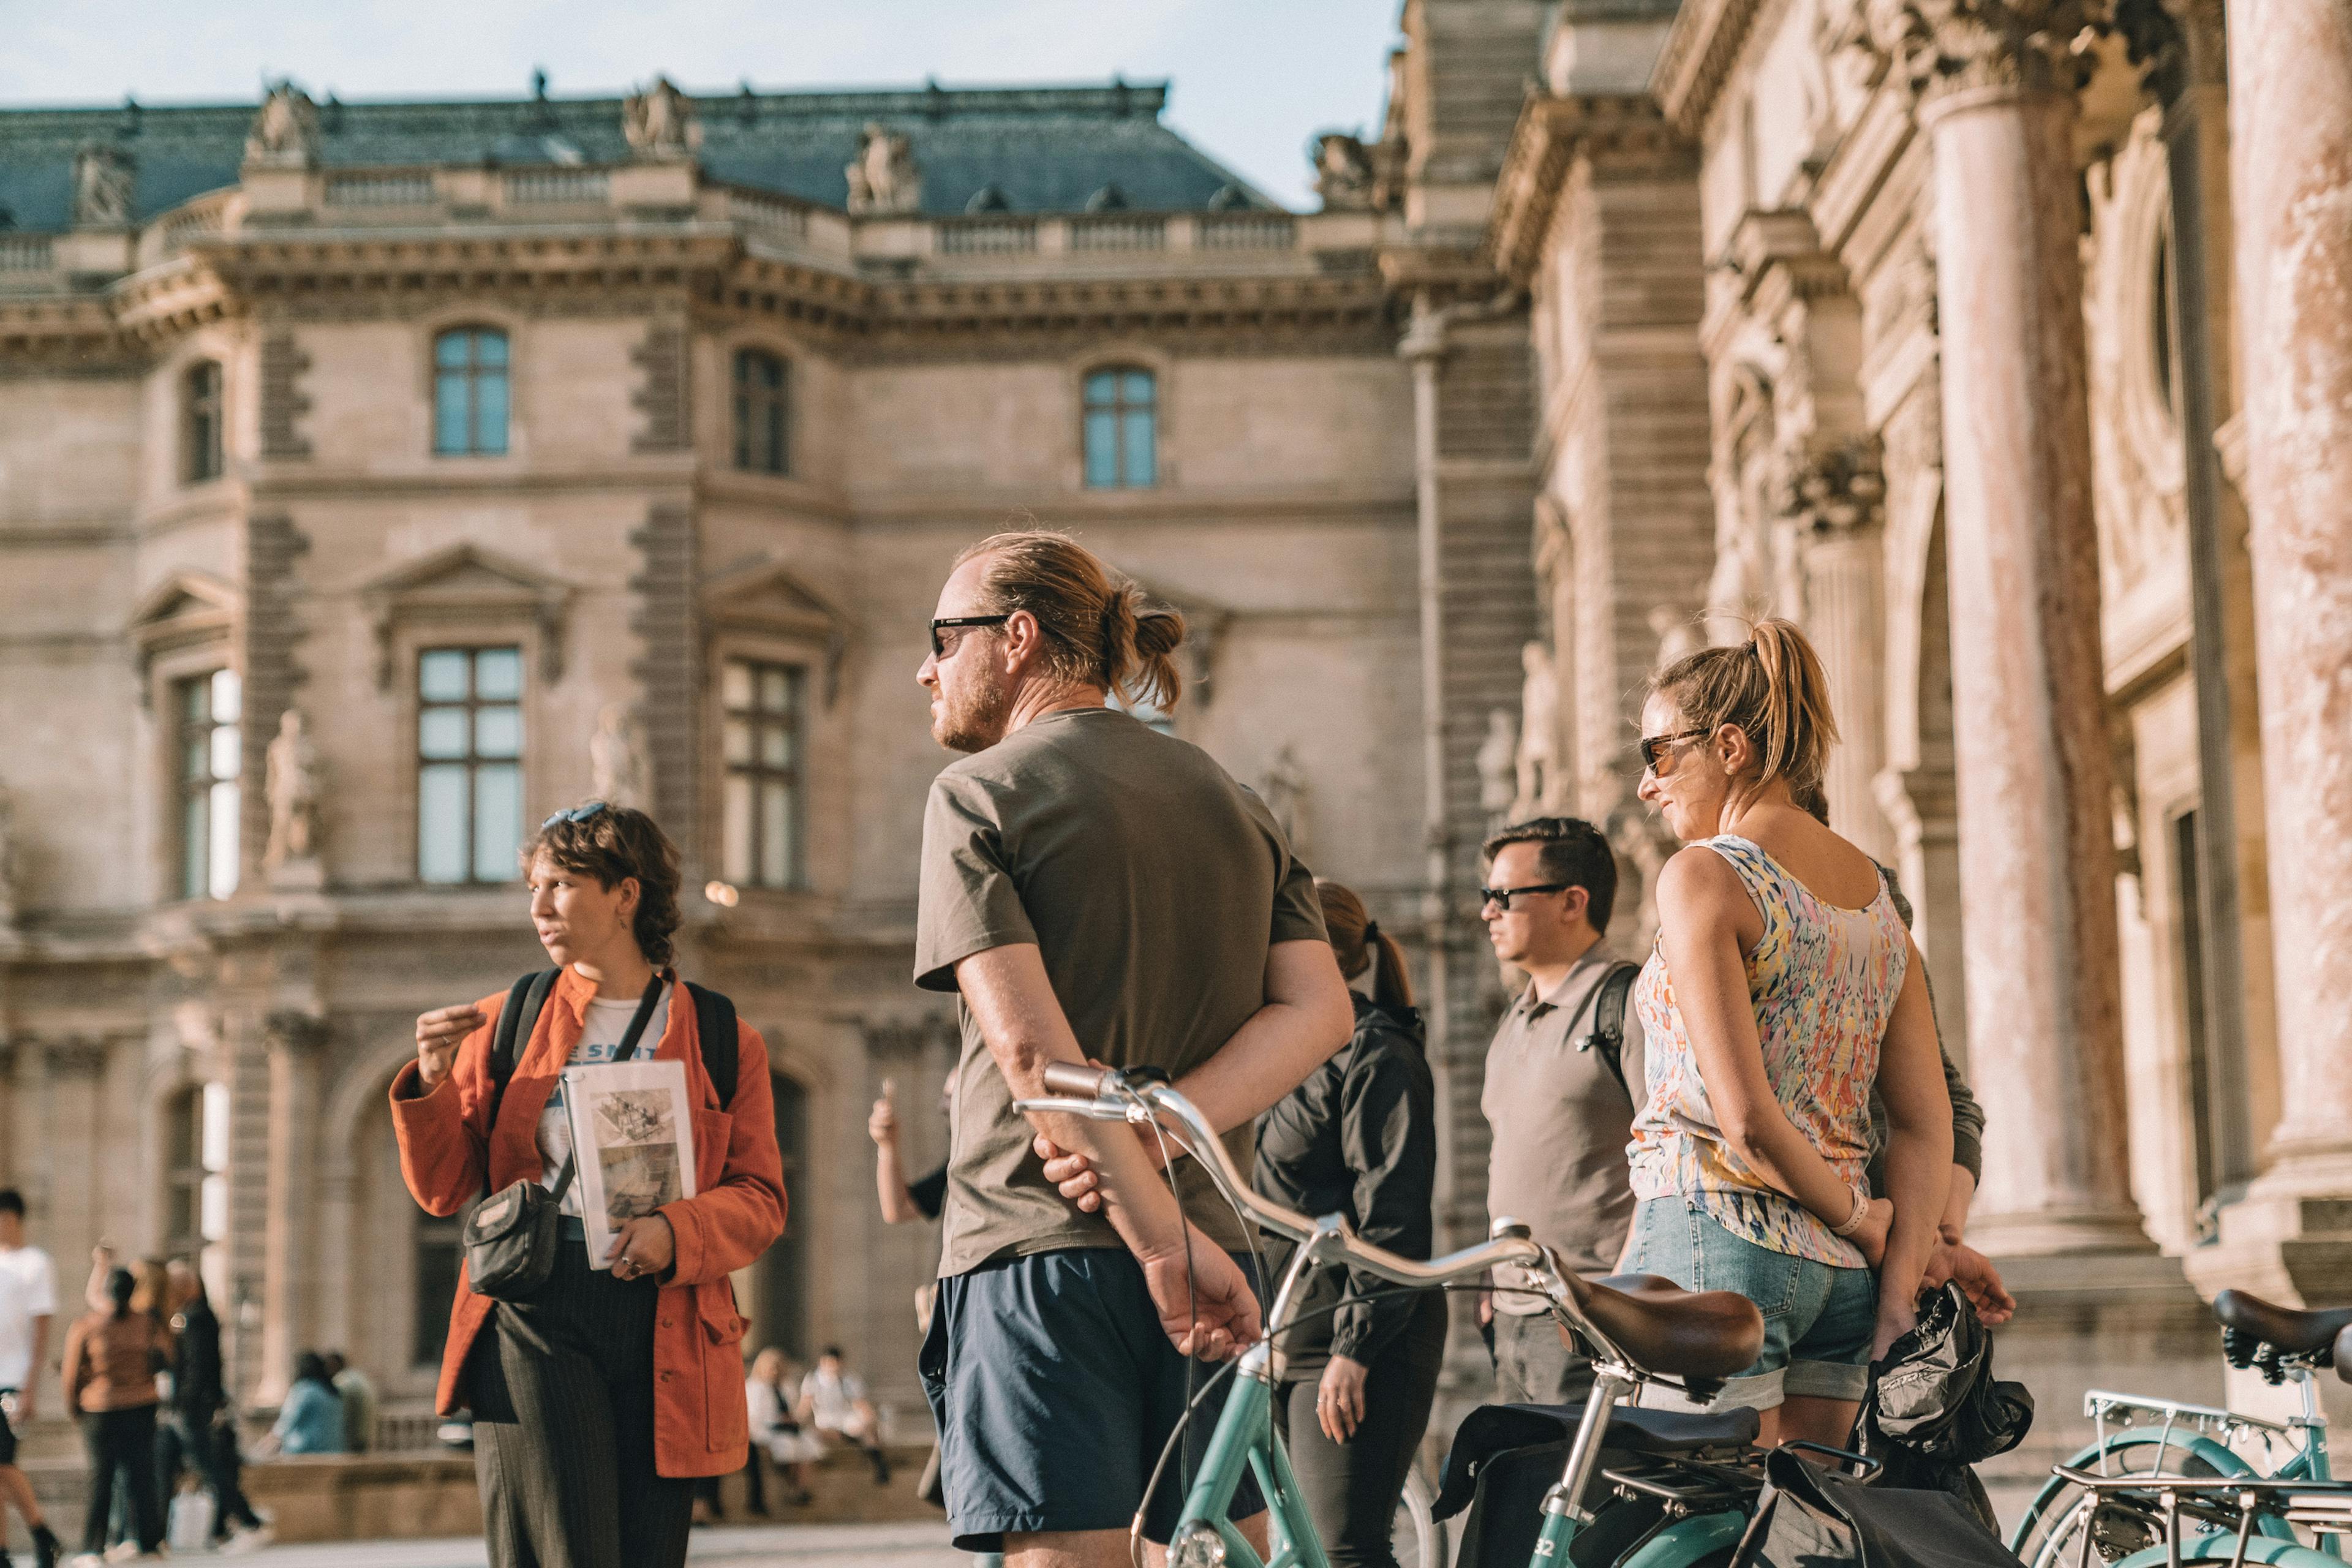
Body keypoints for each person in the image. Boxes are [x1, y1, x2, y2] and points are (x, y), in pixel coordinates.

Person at [911, 529, 1352, 1565]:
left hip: (1042, 1251)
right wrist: (1165, 1138)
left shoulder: (978, 797)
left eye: (942, 636)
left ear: (1016, 638)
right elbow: (1319, 1011)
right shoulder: (1239, 805)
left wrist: (1158, 1242)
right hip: (1223, 1254)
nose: (923, 667)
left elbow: (1032, 1058)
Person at [396, 802, 788, 1568]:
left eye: (562, 884)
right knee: (567, 1552)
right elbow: (444, 1191)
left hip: (668, 1316)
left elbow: (762, 1197)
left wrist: (678, 1231)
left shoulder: (721, 1035)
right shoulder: (504, 1020)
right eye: (534, 887)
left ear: (625, 893)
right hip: (538, 1303)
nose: (538, 906)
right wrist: (434, 1085)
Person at [1624, 619, 1952, 1447]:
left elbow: (1745, 1121)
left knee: (1688, 1527)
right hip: (1841, 1282)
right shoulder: (1879, 902)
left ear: (1730, 747)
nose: (1647, 785)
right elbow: (1924, 1120)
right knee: (1805, 1528)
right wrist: (1899, 1279)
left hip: (1716, 1235)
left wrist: (1858, 1219)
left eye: (1659, 755)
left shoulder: (1705, 875)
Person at [1251, 880, 1440, 1568]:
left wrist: (1354, 1348)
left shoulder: (1378, 1053)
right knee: (1293, 1551)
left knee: (1342, 1552)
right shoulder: (1270, 1052)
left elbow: (1395, 1215)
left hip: (1361, 1332)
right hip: (1279, 1330)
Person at [1472, 816, 1648, 1405]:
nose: (1487, 913)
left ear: (1573, 902)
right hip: (1510, 1319)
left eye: (1504, 897)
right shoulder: (1511, 1021)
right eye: (1486, 897)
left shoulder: (1629, 1005)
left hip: (1590, 1320)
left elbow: (1671, 1163)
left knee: (1584, 1499)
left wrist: (1618, 1302)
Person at [159, 1261, 268, 1553]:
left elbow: (198, 1366)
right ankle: (159, 1534)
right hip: (187, 1406)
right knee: (169, 1463)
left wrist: (184, 1402)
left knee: (208, 1466)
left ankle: (248, 1522)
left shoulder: (196, 1318)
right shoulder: (192, 1317)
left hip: (189, 1408)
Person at [61, 1268, 168, 1562]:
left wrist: (75, 1408)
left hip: (101, 1409)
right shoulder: (147, 1324)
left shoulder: (87, 1325)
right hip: (142, 1406)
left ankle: (93, 1547)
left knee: (101, 1479)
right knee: (142, 1477)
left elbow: (70, 1375)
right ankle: (148, 1542)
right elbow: (166, 1357)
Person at [0, 1191, 64, 1567]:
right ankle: (5, 1550)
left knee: (3, 1461)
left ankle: (42, 1532)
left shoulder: (35, 1264)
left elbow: (41, 1333)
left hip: (13, 1378)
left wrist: (30, 1390)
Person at [799, 1347, 888, 1484]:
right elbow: (805, 1404)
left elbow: (860, 1404)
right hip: (825, 1422)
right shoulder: (813, 1380)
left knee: (866, 1429)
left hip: (846, 1419)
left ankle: (879, 1465)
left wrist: (871, 1420)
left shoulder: (849, 1380)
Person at [745, 1349, 819, 1512]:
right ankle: (793, 1487)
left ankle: (799, 1488)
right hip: (767, 1430)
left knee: (809, 1446)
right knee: (788, 1448)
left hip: (788, 1429)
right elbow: (755, 1416)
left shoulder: (786, 1386)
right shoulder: (754, 1387)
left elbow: (794, 1409)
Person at [254, 1352, 344, 1457]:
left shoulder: (304, 1390)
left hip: (306, 1453)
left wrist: (261, 1448)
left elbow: (286, 1423)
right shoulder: (333, 1393)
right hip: (335, 1452)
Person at [324, 1352, 377, 1455]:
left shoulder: (341, 1381)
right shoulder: (359, 1377)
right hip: (367, 1433)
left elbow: (342, 1412)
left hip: (353, 1435)